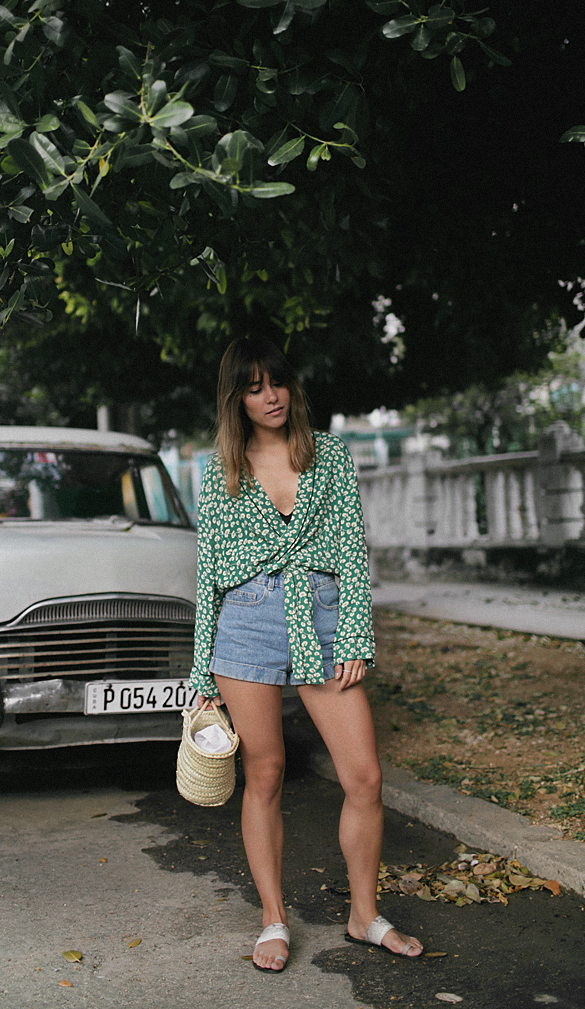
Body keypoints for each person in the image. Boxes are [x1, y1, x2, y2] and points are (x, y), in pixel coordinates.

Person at [190, 336, 423, 972]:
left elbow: (351, 548)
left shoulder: (329, 454)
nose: (271, 397)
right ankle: (273, 918)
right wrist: (200, 673)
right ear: (236, 400)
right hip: (246, 622)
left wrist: (354, 636)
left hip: (320, 616)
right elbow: (208, 574)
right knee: (265, 774)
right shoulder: (219, 470)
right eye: (255, 388)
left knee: (364, 777)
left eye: (278, 383)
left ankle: (364, 915)